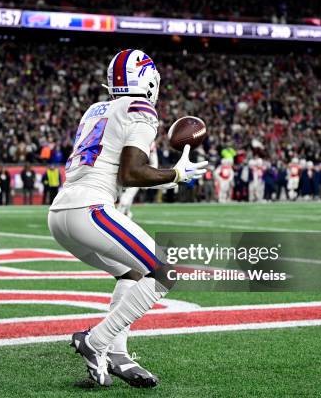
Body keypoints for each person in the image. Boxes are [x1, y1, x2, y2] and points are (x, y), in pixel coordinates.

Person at [48, 49, 207, 388]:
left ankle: (118, 354)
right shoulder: (141, 108)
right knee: (166, 271)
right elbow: (132, 172)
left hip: (61, 212)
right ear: (149, 81)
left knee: (132, 273)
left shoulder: (95, 109)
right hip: (89, 209)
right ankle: (96, 340)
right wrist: (175, 174)